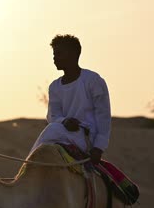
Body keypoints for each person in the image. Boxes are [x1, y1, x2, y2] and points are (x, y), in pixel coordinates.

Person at [30, 34, 111, 164]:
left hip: (85, 137)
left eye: (59, 54)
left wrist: (98, 147)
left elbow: (103, 116)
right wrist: (65, 121)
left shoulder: (93, 80)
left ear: (73, 54)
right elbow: (53, 116)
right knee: (53, 131)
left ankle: (27, 166)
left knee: (52, 130)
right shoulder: (55, 86)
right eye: (54, 55)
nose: (54, 58)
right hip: (62, 133)